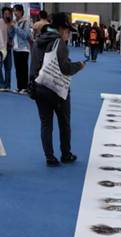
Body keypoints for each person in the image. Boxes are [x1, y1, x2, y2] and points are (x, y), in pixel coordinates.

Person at [30, 13, 85, 166]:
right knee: (64, 122)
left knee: (46, 124)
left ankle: (49, 156)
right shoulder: (59, 43)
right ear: (61, 28)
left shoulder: (38, 40)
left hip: (39, 87)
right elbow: (65, 68)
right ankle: (66, 154)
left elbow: (33, 66)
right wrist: (79, 65)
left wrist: (32, 86)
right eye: (67, 31)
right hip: (57, 90)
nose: (68, 34)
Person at [12, 4, 32, 92]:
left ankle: (25, 87)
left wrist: (15, 27)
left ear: (21, 12)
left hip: (24, 48)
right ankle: (19, 87)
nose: (15, 13)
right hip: (15, 48)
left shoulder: (26, 22)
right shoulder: (14, 22)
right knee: (17, 69)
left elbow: (25, 35)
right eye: (14, 11)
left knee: (24, 69)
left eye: (16, 11)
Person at [0, 6, 13, 91]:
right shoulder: (0, 22)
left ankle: (7, 85)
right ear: (3, 14)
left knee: (8, 68)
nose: (7, 15)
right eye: (5, 14)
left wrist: (9, 26)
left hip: (8, 47)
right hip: (1, 48)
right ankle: (1, 84)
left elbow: (11, 36)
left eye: (8, 14)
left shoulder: (12, 24)